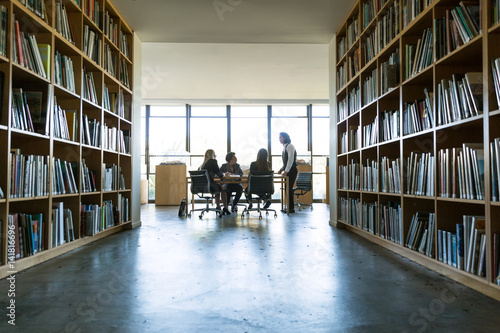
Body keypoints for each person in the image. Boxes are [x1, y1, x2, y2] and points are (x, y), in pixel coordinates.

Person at [200, 149, 231, 215]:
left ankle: (218, 207)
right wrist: (223, 175)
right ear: (212, 155)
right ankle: (225, 207)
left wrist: (214, 176)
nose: (215, 155)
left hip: (202, 186)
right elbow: (219, 173)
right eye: (214, 154)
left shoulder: (202, 165)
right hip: (210, 186)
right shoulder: (212, 161)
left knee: (218, 185)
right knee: (223, 188)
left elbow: (208, 174)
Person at [278, 132, 297, 213]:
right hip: (288, 170)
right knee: (287, 189)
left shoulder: (290, 146)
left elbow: (290, 160)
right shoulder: (285, 147)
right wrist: (281, 169)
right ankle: (289, 207)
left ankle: (291, 208)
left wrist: (286, 171)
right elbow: (285, 163)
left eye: (280, 137)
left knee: (288, 189)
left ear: (285, 138)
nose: (279, 139)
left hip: (292, 171)